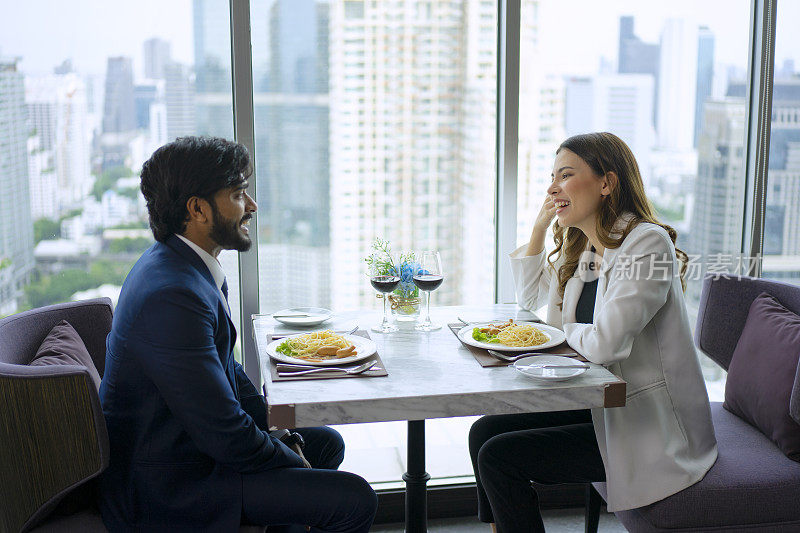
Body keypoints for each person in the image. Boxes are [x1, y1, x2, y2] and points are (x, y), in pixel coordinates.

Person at [98, 136, 377, 532]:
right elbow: (223, 432)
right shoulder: (172, 295)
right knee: (354, 499)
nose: (252, 206)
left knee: (325, 442)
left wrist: (283, 433)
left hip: (193, 451)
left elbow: (228, 369)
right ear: (197, 208)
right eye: (238, 194)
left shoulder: (185, 266)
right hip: (173, 485)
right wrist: (290, 455)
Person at [468, 132, 718, 532]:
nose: (552, 187)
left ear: (606, 183)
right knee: (483, 431)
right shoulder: (587, 249)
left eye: (565, 175)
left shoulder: (645, 244)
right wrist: (539, 227)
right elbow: (530, 296)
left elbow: (606, 343)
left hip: (644, 425)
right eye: (552, 177)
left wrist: (561, 333)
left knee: (499, 457)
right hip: (598, 407)